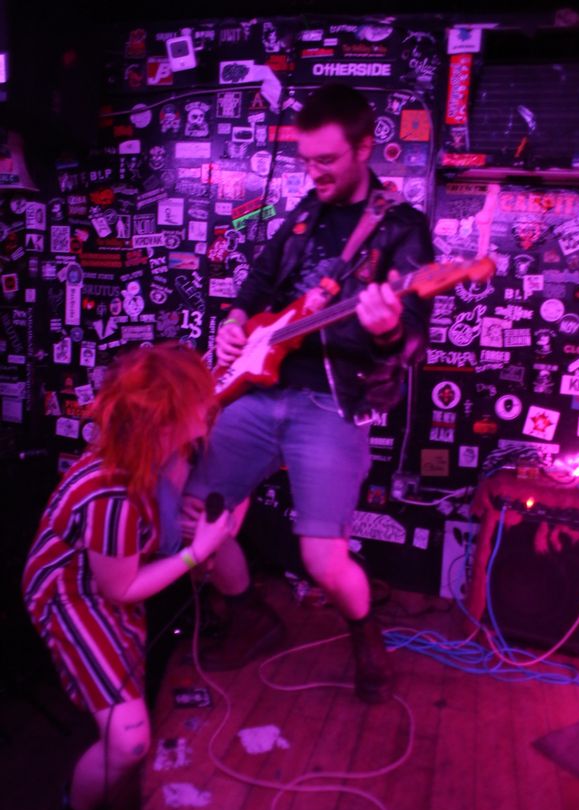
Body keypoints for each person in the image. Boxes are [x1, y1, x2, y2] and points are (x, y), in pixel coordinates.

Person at [162, 83, 434, 705]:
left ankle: (365, 634)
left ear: (364, 148)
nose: (315, 173)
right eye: (307, 161)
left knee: (321, 559)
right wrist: (236, 322)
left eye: (328, 161)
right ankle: (249, 614)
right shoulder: (307, 210)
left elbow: (413, 338)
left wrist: (388, 327)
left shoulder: (401, 228)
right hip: (257, 391)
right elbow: (260, 280)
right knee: (193, 518)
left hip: (331, 402)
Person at [22, 343, 234, 810]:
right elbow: (118, 589)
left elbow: (154, 527)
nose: (209, 404)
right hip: (72, 593)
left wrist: (185, 523)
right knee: (130, 740)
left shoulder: (162, 451)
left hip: (111, 577)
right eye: (198, 399)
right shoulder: (111, 492)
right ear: (164, 419)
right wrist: (196, 552)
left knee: (131, 712)